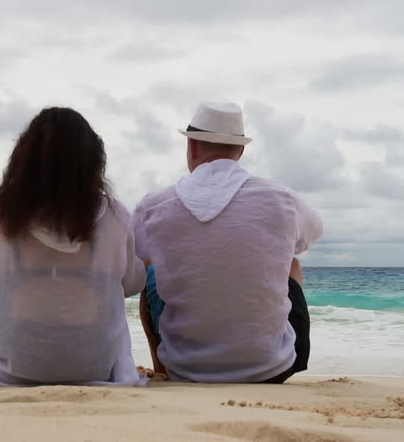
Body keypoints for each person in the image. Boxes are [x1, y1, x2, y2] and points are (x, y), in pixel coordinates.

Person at [133, 101, 323, 383]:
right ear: (241, 151)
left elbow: (132, 261)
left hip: (186, 369)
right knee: (291, 262)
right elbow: (311, 236)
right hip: (272, 369)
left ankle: (164, 369)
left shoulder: (153, 206)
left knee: (150, 269)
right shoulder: (283, 198)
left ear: (192, 148)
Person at [0, 107, 147, 387]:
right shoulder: (114, 215)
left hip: (13, 371)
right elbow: (133, 283)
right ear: (92, 162)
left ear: (24, 160)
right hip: (95, 366)